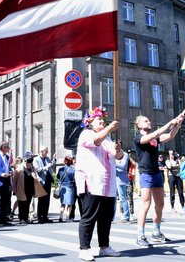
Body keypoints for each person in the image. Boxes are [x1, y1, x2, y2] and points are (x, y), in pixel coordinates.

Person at [75, 106, 122, 261]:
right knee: (89, 216)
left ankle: (104, 247)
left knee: (105, 218)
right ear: (90, 122)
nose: (102, 121)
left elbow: (118, 156)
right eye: (99, 119)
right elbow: (95, 141)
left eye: (103, 119)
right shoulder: (86, 133)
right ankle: (84, 248)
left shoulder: (107, 138)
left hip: (107, 184)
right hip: (91, 181)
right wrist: (109, 128)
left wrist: (119, 149)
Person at [134, 114, 184, 248]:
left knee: (160, 204)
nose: (148, 121)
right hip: (146, 174)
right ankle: (140, 235)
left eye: (149, 119)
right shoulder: (139, 138)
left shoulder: (154, 139)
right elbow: (155, 134)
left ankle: (156, 232)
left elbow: (169, 136)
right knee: (146, 204)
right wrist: (169, 123)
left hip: (156, 173)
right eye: (145, 120)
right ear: (138, 125)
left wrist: (177, 124)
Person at [13, 152, 46, 224]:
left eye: (30, 163)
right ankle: (21, 218)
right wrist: (14, 190)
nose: (28, 165)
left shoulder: (32, 168)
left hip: (30, 188)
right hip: (21, 188)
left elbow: (36, 176)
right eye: (27, 163)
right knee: (22, 204)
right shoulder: (19, 169)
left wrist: (36, 177)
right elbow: (14, 179)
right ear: (24, 161)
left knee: (28, 203)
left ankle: (26, 218)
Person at [33, 146, 54, 223]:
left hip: (48, 180)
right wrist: (46, 167)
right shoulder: (36, 159)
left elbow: (51, 165)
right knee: (41, 200)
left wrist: (54, 160)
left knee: (47, 200)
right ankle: (39, 216)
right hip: (42, 181)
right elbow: (37, 169)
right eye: (46, 151)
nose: (47, 152)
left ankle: (45, 216)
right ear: (41, 151)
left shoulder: (47, 158)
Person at [114, 141, 131, 223]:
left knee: (122, 198)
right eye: (115, 145)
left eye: (118, 145)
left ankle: (126, 216)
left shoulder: (125, 155)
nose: (116, 147)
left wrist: (114, 162)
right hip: (113, 178)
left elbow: (123, 166)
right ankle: (110, 217)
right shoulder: (113, 153)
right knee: (112, 199)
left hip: (121, 179)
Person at [57, 156, 76, 222]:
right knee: (70, 204)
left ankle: (60, 216)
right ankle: (67, 217)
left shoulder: (60, 169)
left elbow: (58, 177)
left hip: (62, 188)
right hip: (69, 187)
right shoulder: (73, 170)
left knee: (63, 203)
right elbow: (74, 180)